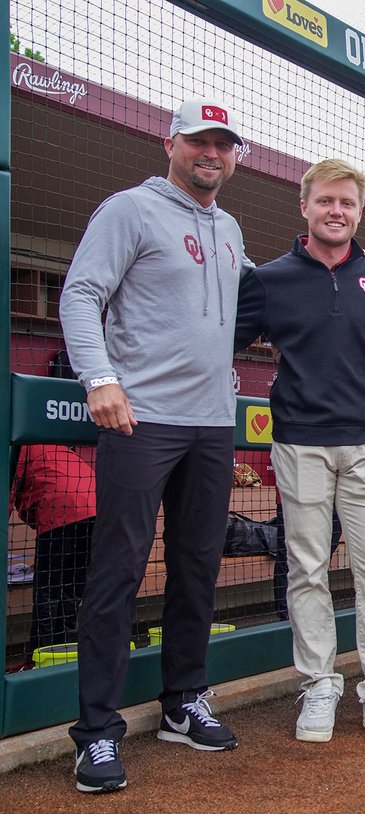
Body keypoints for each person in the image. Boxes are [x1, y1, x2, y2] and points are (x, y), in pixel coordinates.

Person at [59, 98, 249, 793]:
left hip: (210, 421)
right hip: (140, 419)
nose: (211, 153)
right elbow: (81, 294)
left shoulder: (229, 226)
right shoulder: (128, 209)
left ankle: (182, 701)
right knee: (119, 570)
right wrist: (99, 377)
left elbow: (251, 302)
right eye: (200, 140)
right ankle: (98, 733)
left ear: (235, 156)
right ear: (171, 142)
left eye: (224, 144)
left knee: (199, 566)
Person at [235, 158, 365, 743]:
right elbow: (226, 338)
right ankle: (319, 683)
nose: (336, 211)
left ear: (359, 209)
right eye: (325, 201)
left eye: (347, 203)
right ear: (305, 206)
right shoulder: (269, 279)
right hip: (300, 443)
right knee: (308, 569)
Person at [9, 445, 96, 664]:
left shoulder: (21, 446)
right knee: (71, 589)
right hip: (95, 513)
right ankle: (63, 655)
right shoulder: (54, 446)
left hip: (60, 512)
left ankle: (37, 658)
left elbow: (9, 491)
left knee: (47, 591)